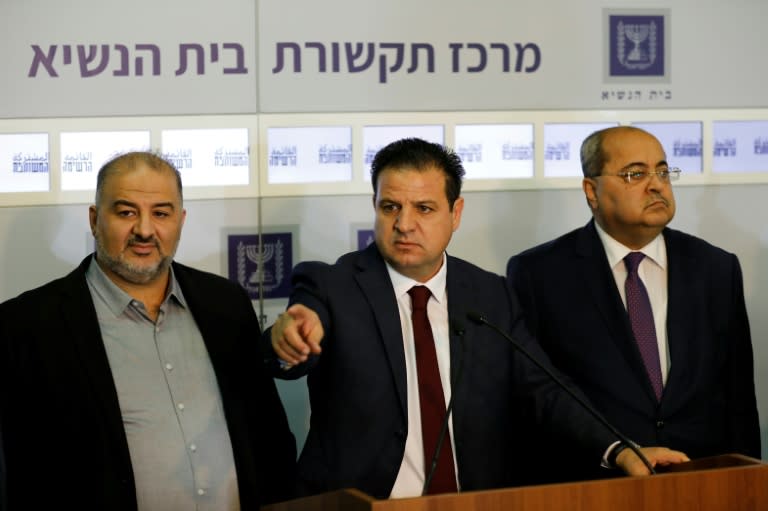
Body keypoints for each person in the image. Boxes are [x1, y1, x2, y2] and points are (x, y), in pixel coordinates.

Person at [263, 137, 688, 499]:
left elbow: (544, 390)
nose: (404, 224)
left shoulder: (490, 294)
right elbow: (288, 345)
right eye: (390, 207)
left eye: (424, 209)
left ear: (456, 212)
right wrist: (287, 341)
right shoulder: (332, 286)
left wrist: (618, 448)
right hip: (362, 506)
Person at [0, 152, 296, 510]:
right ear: (95, 220)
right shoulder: (29, 325)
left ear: (180, 221)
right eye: (126, 212)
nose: (143, 229)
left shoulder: (227, 304)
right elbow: (23, 474)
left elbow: (270, 439)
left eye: (161, 213)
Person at [506, 126, 761, 483]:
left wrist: (745, 482)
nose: (656, 185)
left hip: (702, 482)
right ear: (591, 191)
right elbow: (534, 397)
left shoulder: (715, 268)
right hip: (591, 484)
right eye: (635, 174)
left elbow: (738, 399)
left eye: (662, 171)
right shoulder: (540, 273)